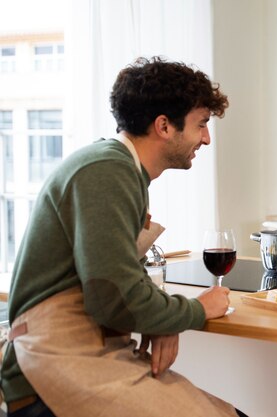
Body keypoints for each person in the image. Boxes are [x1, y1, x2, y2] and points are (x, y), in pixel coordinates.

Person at [1, 57, 248, 417]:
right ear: (164, 125)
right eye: (201, 124)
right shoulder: (108, 171)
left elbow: (118, 286)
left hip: (84, 355)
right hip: (49, 367)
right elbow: (113, 298)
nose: (206, 139)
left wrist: (163, 319)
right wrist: (195, 310)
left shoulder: (120, 170)